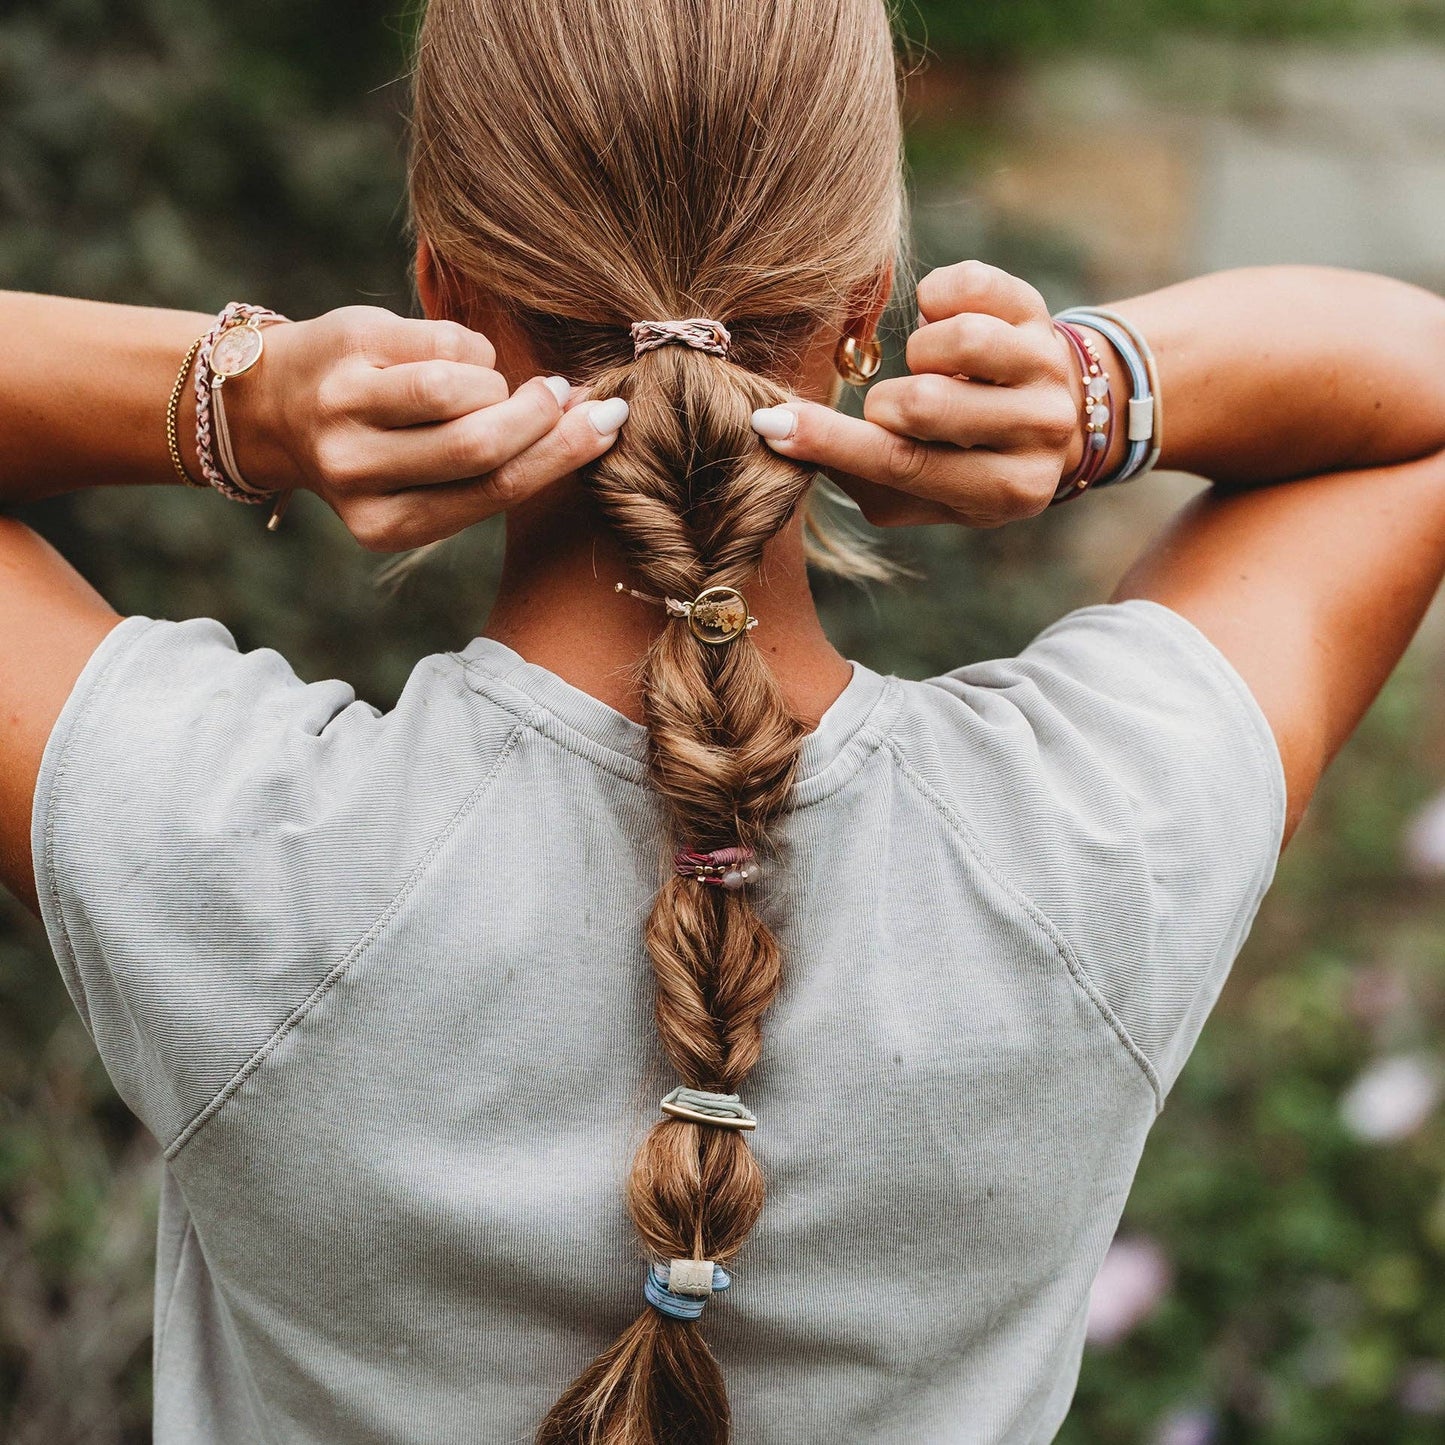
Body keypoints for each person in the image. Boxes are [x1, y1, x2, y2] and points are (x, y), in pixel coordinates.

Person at [2, 1, 1444, 1441]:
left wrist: (244, 401)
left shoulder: (228, 843)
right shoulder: (1093, 835)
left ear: (440, 293)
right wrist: (1091, 393)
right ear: (864, 307)